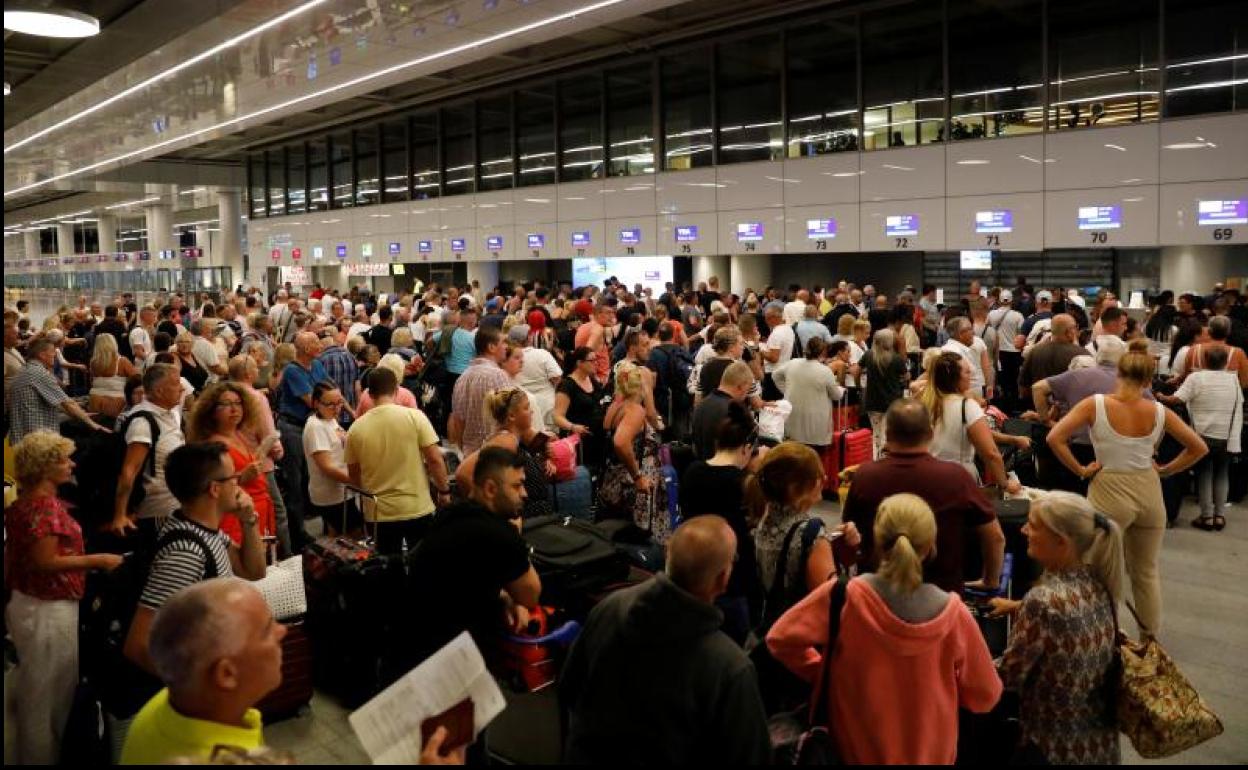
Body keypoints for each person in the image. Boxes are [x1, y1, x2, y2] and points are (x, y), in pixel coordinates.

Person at [766, 493, 1002, 765]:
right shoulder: (954, 615)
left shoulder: (844, 597)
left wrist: (822, 671)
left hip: (849, 751)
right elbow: (986, 695)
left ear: (877, 541)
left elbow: (780, 639)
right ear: (930, 546)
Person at [559, 515, 771, 764]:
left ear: (667, 552)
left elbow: (568, 689)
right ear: (723, 578)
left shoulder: (609, 608)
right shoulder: (730, 668)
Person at [1047, 349, 1207, 634]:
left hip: (1108, 489)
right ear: (1148, 380)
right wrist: (1167, 469)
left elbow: (1054, 437)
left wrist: (1080, 469)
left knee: (1100, 570)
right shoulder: (1159, 411)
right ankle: (1149, 640)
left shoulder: (1095, 404)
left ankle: (1106, 635)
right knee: (1146, 572)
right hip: (1149, 491)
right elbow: (1198, 447)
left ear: (1118, 374)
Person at [122, 442, 268, 717]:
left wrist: (249, 520)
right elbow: (138, 644)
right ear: (215, 489)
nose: (238, 483)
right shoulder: (186, 551)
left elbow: (254, 571)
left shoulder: (206, 532)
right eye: (233, 477)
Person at [5, 431, 123, 764]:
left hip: (30, 603)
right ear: (45, 467)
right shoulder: (43, 509)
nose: (71, 464)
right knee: (48, 696)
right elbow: (45, 562)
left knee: (39, 688)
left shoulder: (25, 502)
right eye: (63, 459)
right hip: (47, 607)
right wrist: (99, 560)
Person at [985, 492, 1121, 764]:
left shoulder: (1043, 601)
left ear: (1061, 541)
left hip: (1050, 747)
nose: (1024, 530)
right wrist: (1018, 606)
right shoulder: (1098, 582)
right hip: (1099, 746)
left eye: (1033, 526)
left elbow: (1007, 676)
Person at [398, 447, 539, 673]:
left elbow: (466, 583)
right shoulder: (498, 533)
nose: (524, 493)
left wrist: (506, 597)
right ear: (490, 489)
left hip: (413, 649)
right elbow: (531, 595)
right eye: (516, 486)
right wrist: (515, 535)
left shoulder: (450, 515)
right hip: (452, 665)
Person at [842, 398, 1005, 593]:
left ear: (887, 434)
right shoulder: (956, 477)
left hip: (875, 596)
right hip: (942, 595)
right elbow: (995, 536)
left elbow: (848, 535)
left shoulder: (864, 476)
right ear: (930, 433)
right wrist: (990, 580)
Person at [680, 402, 767, 643]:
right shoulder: (745, 484)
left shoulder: (692, 472)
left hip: (695, 574)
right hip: (734, 581)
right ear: (747, 448)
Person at [750, 442, 859, 627]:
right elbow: (835, 600)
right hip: (804, 629)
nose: (824, 478)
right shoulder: (812, 534)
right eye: (818, 476)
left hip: (775, 624)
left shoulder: (764, 519)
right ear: (795, 488)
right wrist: (850, 553)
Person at [346, 367, 451, 554]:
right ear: (396, 390)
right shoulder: (415, 417)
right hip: (416, 506)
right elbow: (434, 460)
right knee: (422, 561)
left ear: (369, 393)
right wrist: (444, 491)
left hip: (378, 512)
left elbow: (354, 474)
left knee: (388, 565)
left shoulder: (356, 429)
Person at [1158, 344, 1242, 531]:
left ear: (1204, 360)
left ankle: (1206, 516)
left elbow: (1177, 399)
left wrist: (1161, 396)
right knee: (1222, 473)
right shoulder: (1233, 379)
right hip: (1226, 436)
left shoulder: (1196, 378)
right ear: (1225, 362)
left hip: (1202, 435)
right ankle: (1219, 516)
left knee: (1204, 473)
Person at [186, 383, 277, 546]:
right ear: (211, 411)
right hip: (235, 519)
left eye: (238, 403)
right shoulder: (212, 445)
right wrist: (242, 477)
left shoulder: (237, 434)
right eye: (226, 404)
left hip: (254, 512)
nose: (234, 409)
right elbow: (209, 488)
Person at [111, 364, 189, 540]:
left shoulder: (167, 414)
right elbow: (129, 471)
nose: (182, 388)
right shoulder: (142, 422)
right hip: (155, 515)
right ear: (159, 391)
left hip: (174, 507)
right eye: (176, 383)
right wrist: (120, 514)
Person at [920, 352, 1018, 491]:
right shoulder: (967, 406)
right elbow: (991, 453)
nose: (971, 374)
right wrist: (1005, 483)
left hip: (928, 477)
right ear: (955, 378)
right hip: (958, 478)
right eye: (966, 371)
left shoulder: (926, 403)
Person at [455, 387, 554, 519]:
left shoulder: (516, 436)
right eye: (526, 408)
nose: (531, 411)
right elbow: (463, 473)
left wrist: (545, 456)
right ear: (512, 416)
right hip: (522, 516)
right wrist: (488, 509)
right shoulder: (506, 441)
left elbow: (540, 441)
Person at [598, 362, 669, 543]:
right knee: (638, 536)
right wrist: (638, 477)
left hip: (614, 478)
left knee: (618, 534)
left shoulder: (614, 407)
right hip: (635, 483)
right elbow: (620, 442)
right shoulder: (635, 410)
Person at [275, 332, 327, 552]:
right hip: (293, 428)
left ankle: (310, 525)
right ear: (305, 348)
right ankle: (297, 535)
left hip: (308, 426)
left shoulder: (317, 365)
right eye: (315, 342)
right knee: (294, 482)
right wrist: (330, 404)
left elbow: (329, 390)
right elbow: (312, 401)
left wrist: (349, 410)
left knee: (309, 476)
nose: (320, 344)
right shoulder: (292, 371)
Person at [7, 337, 110, 445]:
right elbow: (67, 403)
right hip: (36, 439)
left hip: (23, 437)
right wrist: (93, 425)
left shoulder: (25, 370)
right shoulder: (39, 373)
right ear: (42, 355)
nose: (55, 355)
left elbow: (58, 403)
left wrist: (81, 414)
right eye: (52, 351)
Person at [303, 382, 360, 536]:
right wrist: (355, 481)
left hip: (341, 492)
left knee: (336, 535)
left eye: (339, 402)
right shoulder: (316, 427)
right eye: (330, 404)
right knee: (355, 534)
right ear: (316, 403)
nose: (337, 408)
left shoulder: (330, 419)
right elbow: (327, 467)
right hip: (331, 496)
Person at [771, 337, 844, 451]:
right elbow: (836, 395)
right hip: (816, 425)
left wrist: (786, 390)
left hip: (793, 420)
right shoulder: (825, 371)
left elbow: (775, 375)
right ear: (822, 352)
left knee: (793, 454)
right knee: (815, 455)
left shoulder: (792, 363)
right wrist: (840, 389)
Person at [450, 326, 512, 455]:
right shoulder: (498, 375)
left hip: (470, 453)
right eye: (503, 342)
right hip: (495, 452)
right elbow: (509, 414)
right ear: (491, 347)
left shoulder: (462, 378)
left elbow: (458, 420)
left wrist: (464, 448)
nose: (506, 346)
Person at [691, 361, 756, 461]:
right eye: (747, 390)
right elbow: (743, 452)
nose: (746, 395)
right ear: (741, 387)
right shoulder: (735, 411)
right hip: (726, 467)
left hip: (702, 465)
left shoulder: (701, 406)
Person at [860, 327, 909, 458]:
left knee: (876, 433)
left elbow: (857, 370)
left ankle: (877, 458)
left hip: (872, 401)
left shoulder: (868, 355)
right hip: (892, 402)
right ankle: (885, 459)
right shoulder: (896, 359)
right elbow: (906, 376)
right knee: (887, 433)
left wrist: (859, 384)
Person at [514, 322, 563, 430]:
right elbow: (557, 377)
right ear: (528, 338)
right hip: (547, 404)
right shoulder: (542, 354)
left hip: (523, 407)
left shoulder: (510, 359)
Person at [88, 332, 139, 420]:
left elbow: (91, 382)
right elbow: (138, 381)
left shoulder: (93, 362)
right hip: (116, 403)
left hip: (94, 400)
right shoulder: (122, 361)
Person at [942, 316, 994, 399]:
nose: (973, 332)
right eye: (969, 329)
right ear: (960, 334)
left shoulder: (976, 341)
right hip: (964, 398)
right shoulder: (950, 351)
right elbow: (954, 382)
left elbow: (986, 367)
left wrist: (989, 386)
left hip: (979, 393)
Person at [759, 305, 796, 401]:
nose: (766, 321)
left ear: (773, 318)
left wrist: (760, 350)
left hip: (773, 373)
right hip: (784, 369)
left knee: (771, 404)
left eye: (767, 318)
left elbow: (774, 358)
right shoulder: (788, 329)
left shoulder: (776, 333)